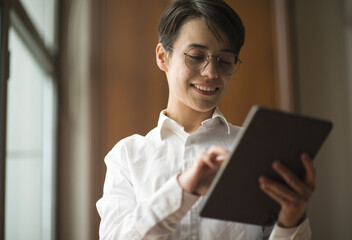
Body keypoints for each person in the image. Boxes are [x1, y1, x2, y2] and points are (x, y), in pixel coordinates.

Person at [96, 0, 315, 239]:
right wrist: (183, 190)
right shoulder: (127, 156)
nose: (211, 73)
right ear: (163, 57)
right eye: (196, 56)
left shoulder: (256, 149)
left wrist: (292, 220)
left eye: (224, 61)